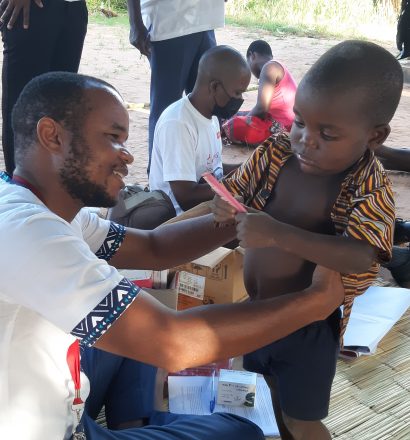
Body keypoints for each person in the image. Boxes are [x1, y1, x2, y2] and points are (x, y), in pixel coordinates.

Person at [0, 71, 344, 440]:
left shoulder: (49, 211)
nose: (128, 155)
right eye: (113, 138)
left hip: (62, 396)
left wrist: (249, 211)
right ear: (52, 135)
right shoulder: (28, 232)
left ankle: (133, 423)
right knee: (238, 433)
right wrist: (314, 303)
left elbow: (155, 247)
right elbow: (172, 343)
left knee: (129, 311)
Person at [213, 40, 402, 440]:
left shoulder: (370, 186)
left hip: (310, 327)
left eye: (327, 134)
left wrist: (278, 234)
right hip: (258, 310)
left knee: (303, 420)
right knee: (272, 398)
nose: (305, 140)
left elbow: (358, 256)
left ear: (374, 136)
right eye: (300, 121)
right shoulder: (278, 151)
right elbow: (235, 191)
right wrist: (223, 205)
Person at [127, 0, 226, 174]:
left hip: (205, 19)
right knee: (165, 108)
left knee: (209, 104)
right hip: (169, 22)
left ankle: (204, 172)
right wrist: (135, 22)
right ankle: (160, 182)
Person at [149, 45, 249, 215]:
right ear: (215, 87)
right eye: (237, 93)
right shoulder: (178, 123)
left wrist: (248, 168)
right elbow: (186, 197)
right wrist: (238, 185)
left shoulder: (211, 116)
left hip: (201, 206)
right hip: (176, 218)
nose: (240, 100)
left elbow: (211, 167)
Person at [0, 0, 88, 174]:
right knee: (23, 109)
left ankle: (47, 190)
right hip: (32, 8)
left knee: (59, 109)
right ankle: (19, 190)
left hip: (74, 8)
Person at [222, 39, 297, 146]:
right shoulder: (275, 66)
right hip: (285, 124)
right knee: (236, 114)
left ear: (252, 55)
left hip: (284, 130)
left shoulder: (269, 68)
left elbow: (262, 109)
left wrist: (243, 120)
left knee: (233, 125)